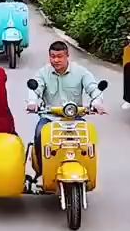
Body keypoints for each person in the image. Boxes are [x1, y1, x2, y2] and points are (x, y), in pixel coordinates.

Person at [27, 40, 105, 170]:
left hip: (75, 117)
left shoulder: (81, 72)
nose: (56, 60)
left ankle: (86, 168)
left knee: (88, 139)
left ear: (67, 56)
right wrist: (32, 102)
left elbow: (93, 88)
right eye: (52, 56)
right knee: (39, 135)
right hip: (50, 118)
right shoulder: (42, 73)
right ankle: (43, 169)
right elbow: (35, 89)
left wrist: (97, 102)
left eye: (59, 56)